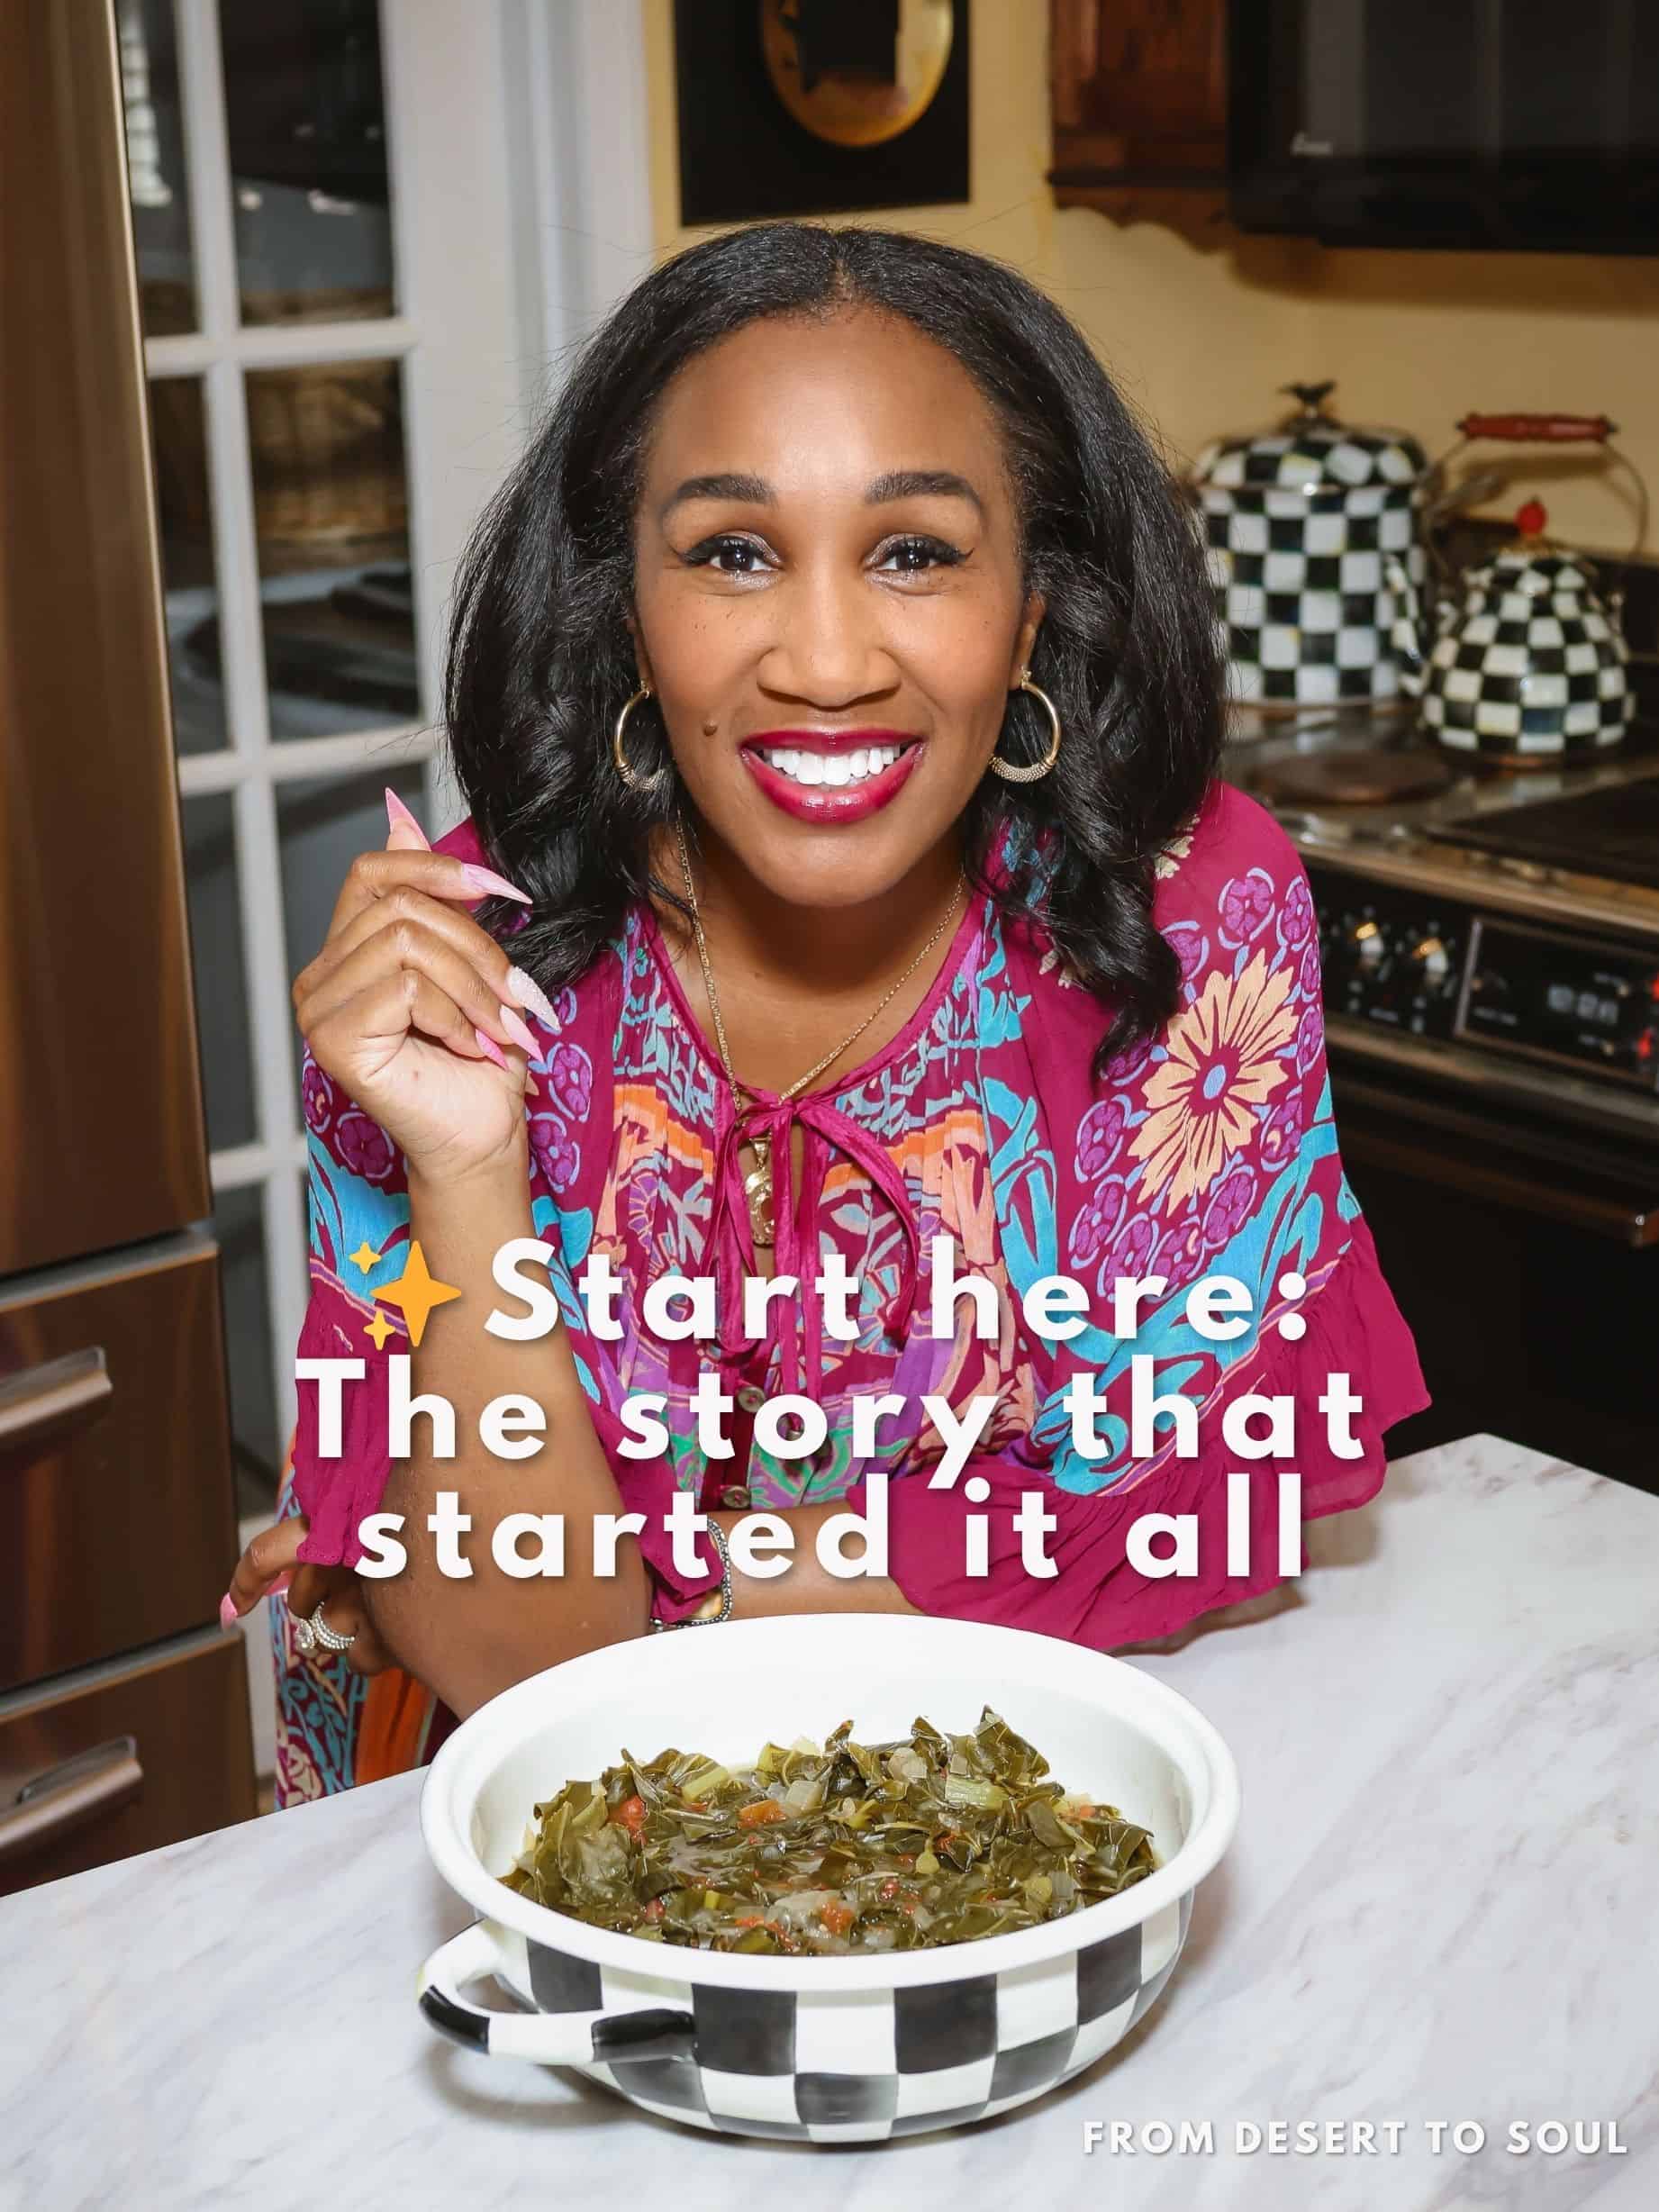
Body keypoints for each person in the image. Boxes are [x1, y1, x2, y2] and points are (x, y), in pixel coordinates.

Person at [221, 222, 1429, 1807]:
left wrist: (685, 1579)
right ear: (620, 605)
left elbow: (1196, 1505)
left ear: (1035, 608)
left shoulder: (1176, 912)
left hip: (983, 1815)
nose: (827, 660)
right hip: (521, 1858)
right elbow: (523, 1671)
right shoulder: (466, 959)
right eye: (731, 551)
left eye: (914, 551)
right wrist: (463, 1168)